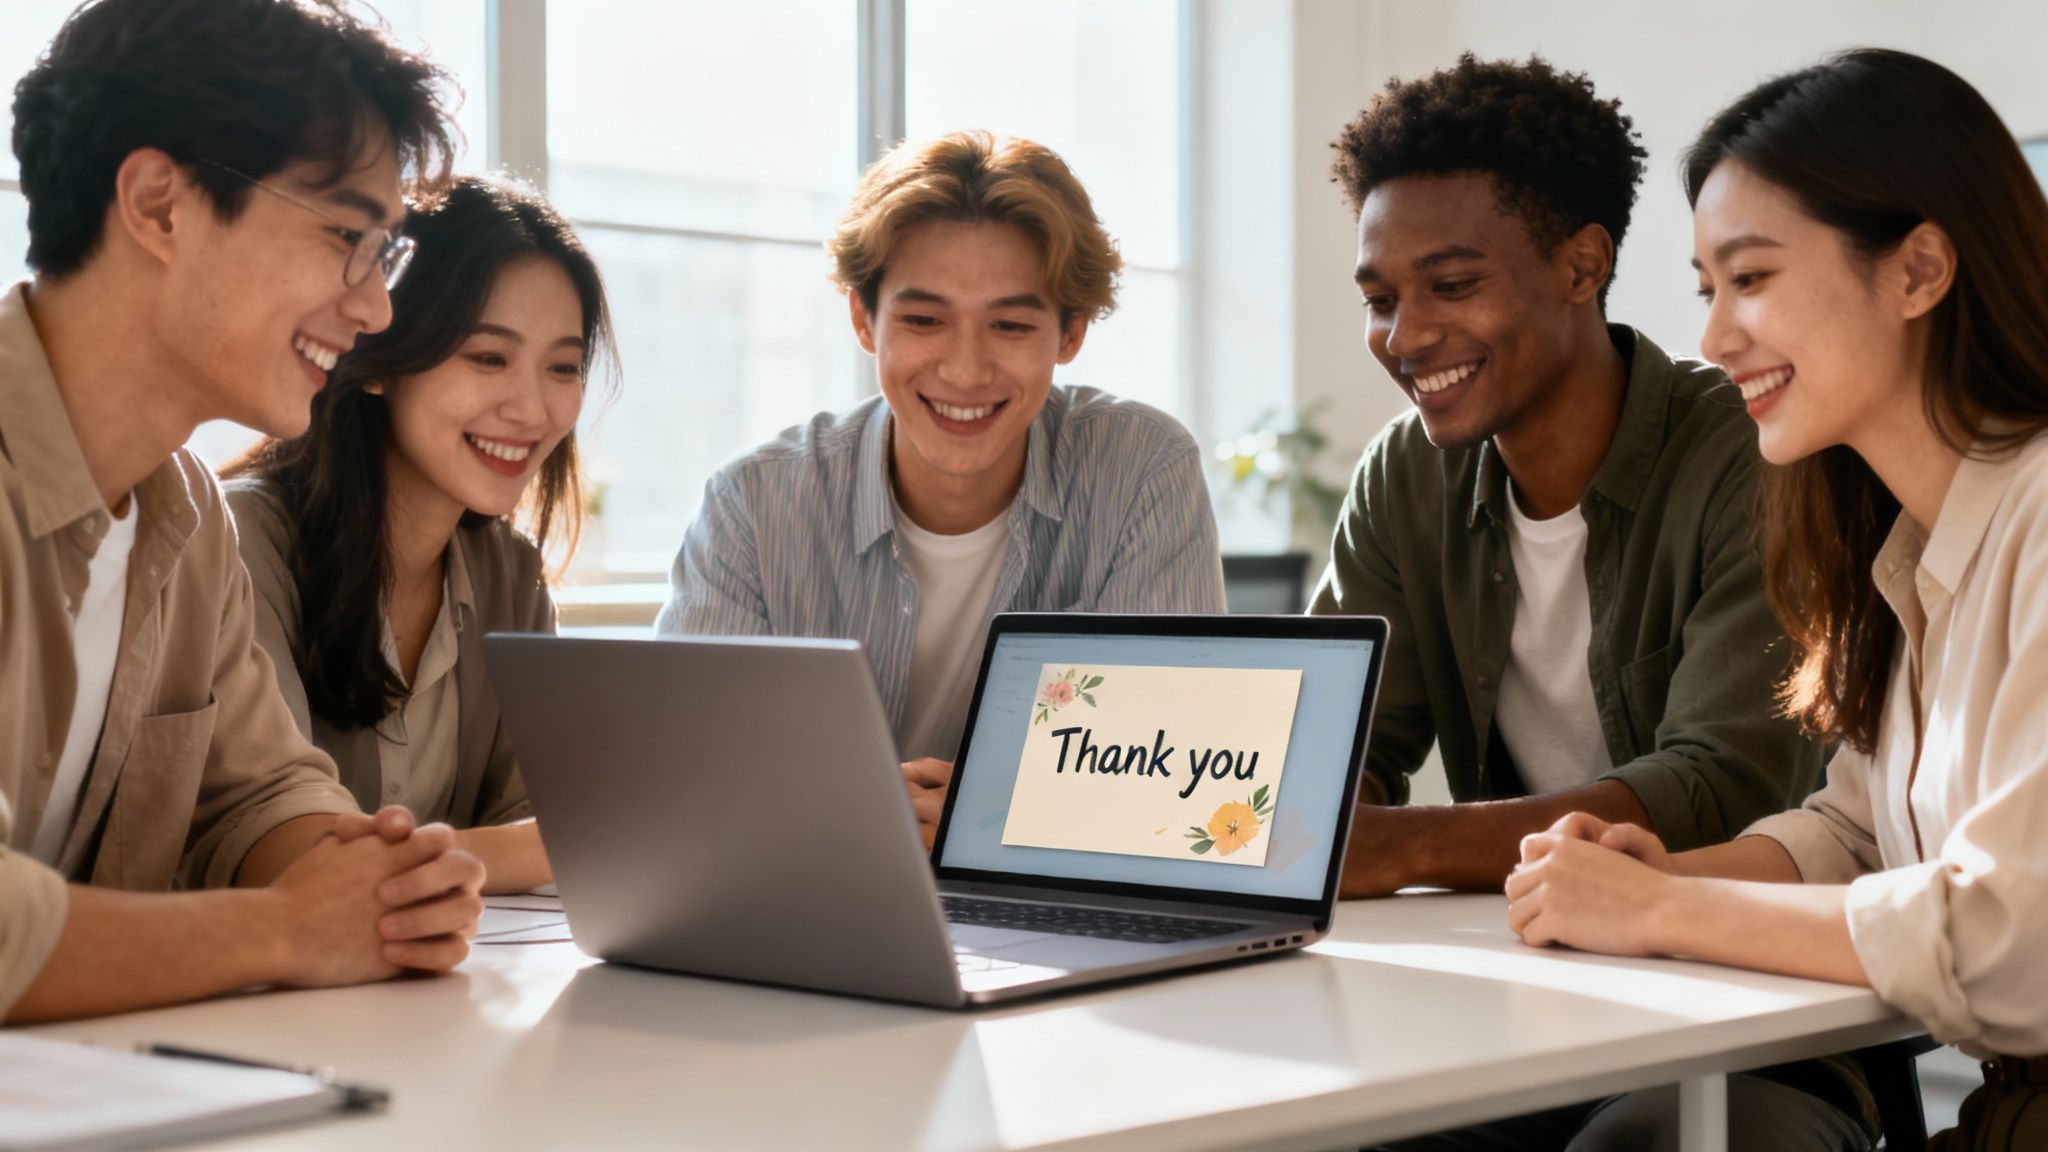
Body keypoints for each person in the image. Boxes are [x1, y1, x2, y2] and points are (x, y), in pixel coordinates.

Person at [1314, 56, 1869, 1149]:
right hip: (1514, 1000)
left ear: (1581, 265)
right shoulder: (1405, 474)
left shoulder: (1757, 452)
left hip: (1752, 1018)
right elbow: (1331, 740)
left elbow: (1714, 784)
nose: (1404, 334)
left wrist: (1403, 846)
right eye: (1381, 299)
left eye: (1451, 284)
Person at [1509, 48, 2048, 1150]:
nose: (1709, 339)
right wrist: (1657, 873)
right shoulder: (1907, 550)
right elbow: (1855, 827)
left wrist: (1662, 914)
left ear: (1917, 270)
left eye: (1749, 280)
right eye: (1707, 290)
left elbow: (2014, 946)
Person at [0, 0, 485, 1024]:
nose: (376, 309)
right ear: (159, 204)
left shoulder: (187, 514)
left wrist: (381, 887)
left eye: (383, 254)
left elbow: (255, 793)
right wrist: (286, 930)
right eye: (349, 237)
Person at [657, 131, 1225, 844]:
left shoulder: (1144, 470)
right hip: (810, 895)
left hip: (1050, 904)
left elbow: (1172, 777)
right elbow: (687, 781)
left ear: (1071, 333)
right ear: (864, 321)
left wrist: (986, 819)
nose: (964, 370)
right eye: (924, 320)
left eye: (1011, 325)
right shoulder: (752, 505)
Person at [221, 175, 614, 895]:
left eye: (562, 367)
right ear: (378, 362)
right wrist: (565, 843)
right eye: (487, 357)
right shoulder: (241, 544)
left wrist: (566, 841)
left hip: (438, 987)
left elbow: (549, 820)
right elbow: (304, 860)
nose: (531, 409)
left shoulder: (507, 574)